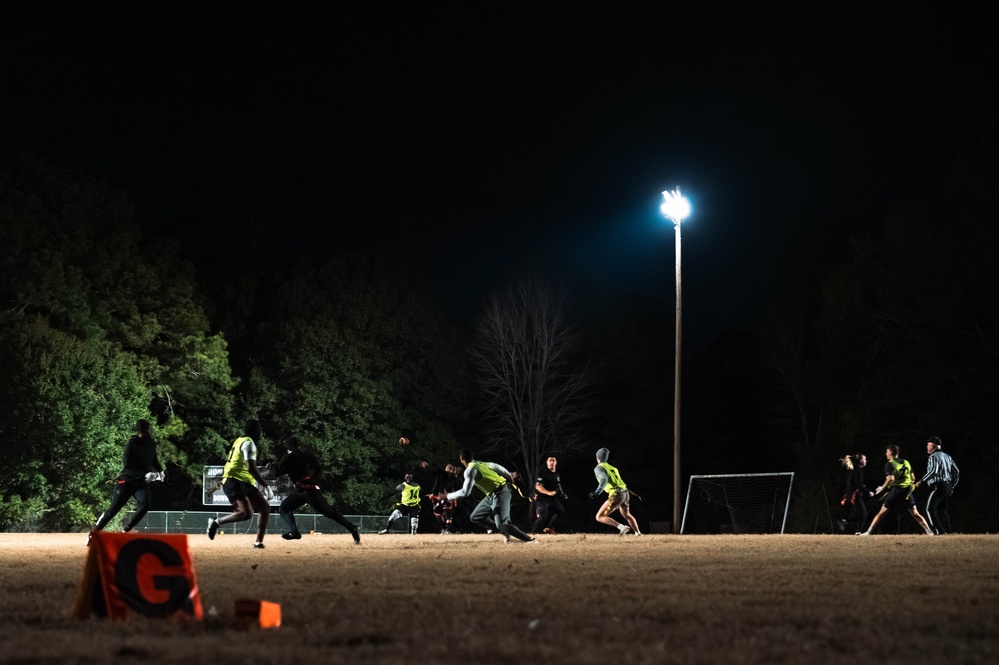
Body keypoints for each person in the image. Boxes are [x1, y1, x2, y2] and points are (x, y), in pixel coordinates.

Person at [270, 436, 360, 544]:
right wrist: (315, 480)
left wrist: (268, 465)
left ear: (288, 448)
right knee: (286, 508)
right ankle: (294, 532)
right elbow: (318, 468)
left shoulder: (289, 457)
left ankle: (352, 528)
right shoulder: (306, 456)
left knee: (285, 509)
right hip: (305, 490)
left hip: (307, 491)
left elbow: (277, 471)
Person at [446, 448, 537, 543]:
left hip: (501, 492)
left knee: (502, 523)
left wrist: (447, 496)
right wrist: (508, 476)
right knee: (476, 517)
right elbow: (496, 466)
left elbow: (465, 492)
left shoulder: (470, 470)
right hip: (491, 495)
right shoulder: (480, 463)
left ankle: (529, 539)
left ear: (461, 458)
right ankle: (504, 531)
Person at [207, 420, 272, 549]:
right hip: (234, 480)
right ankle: (216, 521)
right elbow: (251, 468)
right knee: (246, 513)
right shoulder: (249, 443)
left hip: (244, 481)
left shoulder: (240, 440)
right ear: (255, 431)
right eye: (259, 430)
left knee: (264, 507)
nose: (260, 433)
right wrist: (266, 486)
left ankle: (258, 542)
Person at [92, 419, 163, 536]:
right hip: (127, 481)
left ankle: (124, 531)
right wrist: (144, 474)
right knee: (112, 511)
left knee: (145, 505)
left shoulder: (151, 445)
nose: (151, 431)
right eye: (148, 429)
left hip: (140, 483)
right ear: (140, 431)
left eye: (151, 429)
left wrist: (161, 471)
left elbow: (153, 460)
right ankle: (94, 532)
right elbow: (128, 469)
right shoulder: (131, 446)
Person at [858, 445, 934, 536]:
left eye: (887, 452)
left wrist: (882, 488)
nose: (886, 454)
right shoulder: (906, 462)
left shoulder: (890, 464)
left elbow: (891, 478)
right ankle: (929, 531)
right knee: (915, 513)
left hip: (897, 490)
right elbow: (913, 477)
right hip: (907, 491)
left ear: (890, 452)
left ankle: (868, 532)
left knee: (881, 513)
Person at [590, 448, 642, 535]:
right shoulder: (613, 468)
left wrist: (597, 493)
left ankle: (622, 527)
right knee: (627, 515)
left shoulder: (599, 468)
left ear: (597, 458)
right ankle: (638, 533)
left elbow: (603, 480)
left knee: (599, 517)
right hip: (625, 493)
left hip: (616, 494)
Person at [914, 436, 960, 534]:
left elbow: (933, 471)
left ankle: (937, 531)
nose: (926, 446)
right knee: (941, 510)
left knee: (928, 508)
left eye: (928, 444)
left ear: (933, 445)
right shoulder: (947, 456)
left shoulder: (933, 457)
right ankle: (947, 531)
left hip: (939, 486)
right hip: (947, 486)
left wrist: (920, 481)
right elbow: (956, 471)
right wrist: (952, 486)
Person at [836, 453, 873, 534]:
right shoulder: (858, 469)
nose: (866, 461)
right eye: (864, 459)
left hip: (852, 494)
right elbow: (858, 484)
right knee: (863, 514)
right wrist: (868, 491)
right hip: (854, 494)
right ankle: (844, 521)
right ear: (860, 461)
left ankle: (857, 531)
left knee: (860, 513)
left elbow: (852, 483)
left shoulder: (854, 469)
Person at [533, 453, 568, 534]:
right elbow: (538, 486)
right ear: (547, 462)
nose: (552, 462)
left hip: (552, 499)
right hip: (542, 499)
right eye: (550, 460)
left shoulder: (557, 474)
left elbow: (558, 484)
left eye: (553, 460)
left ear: (556, 462)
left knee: (561, 512)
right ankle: (532, 533)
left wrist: (562, 493)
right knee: (542, 517)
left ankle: (550, 528)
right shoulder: (544, 474)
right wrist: (548, 492)